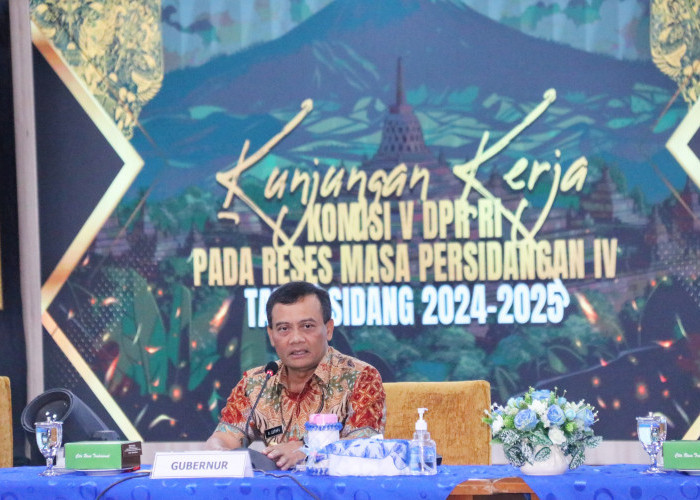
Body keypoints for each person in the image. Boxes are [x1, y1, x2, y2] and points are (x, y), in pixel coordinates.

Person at [205, 281, 386, 470]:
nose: (296, 339)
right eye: (284, 329)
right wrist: (219, 452)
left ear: (329, 329)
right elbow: (222, 439)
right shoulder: (256, 383)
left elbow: (364, 446)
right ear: (271, 335)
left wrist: (306, 449)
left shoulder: (361, 377)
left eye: (307, 326)